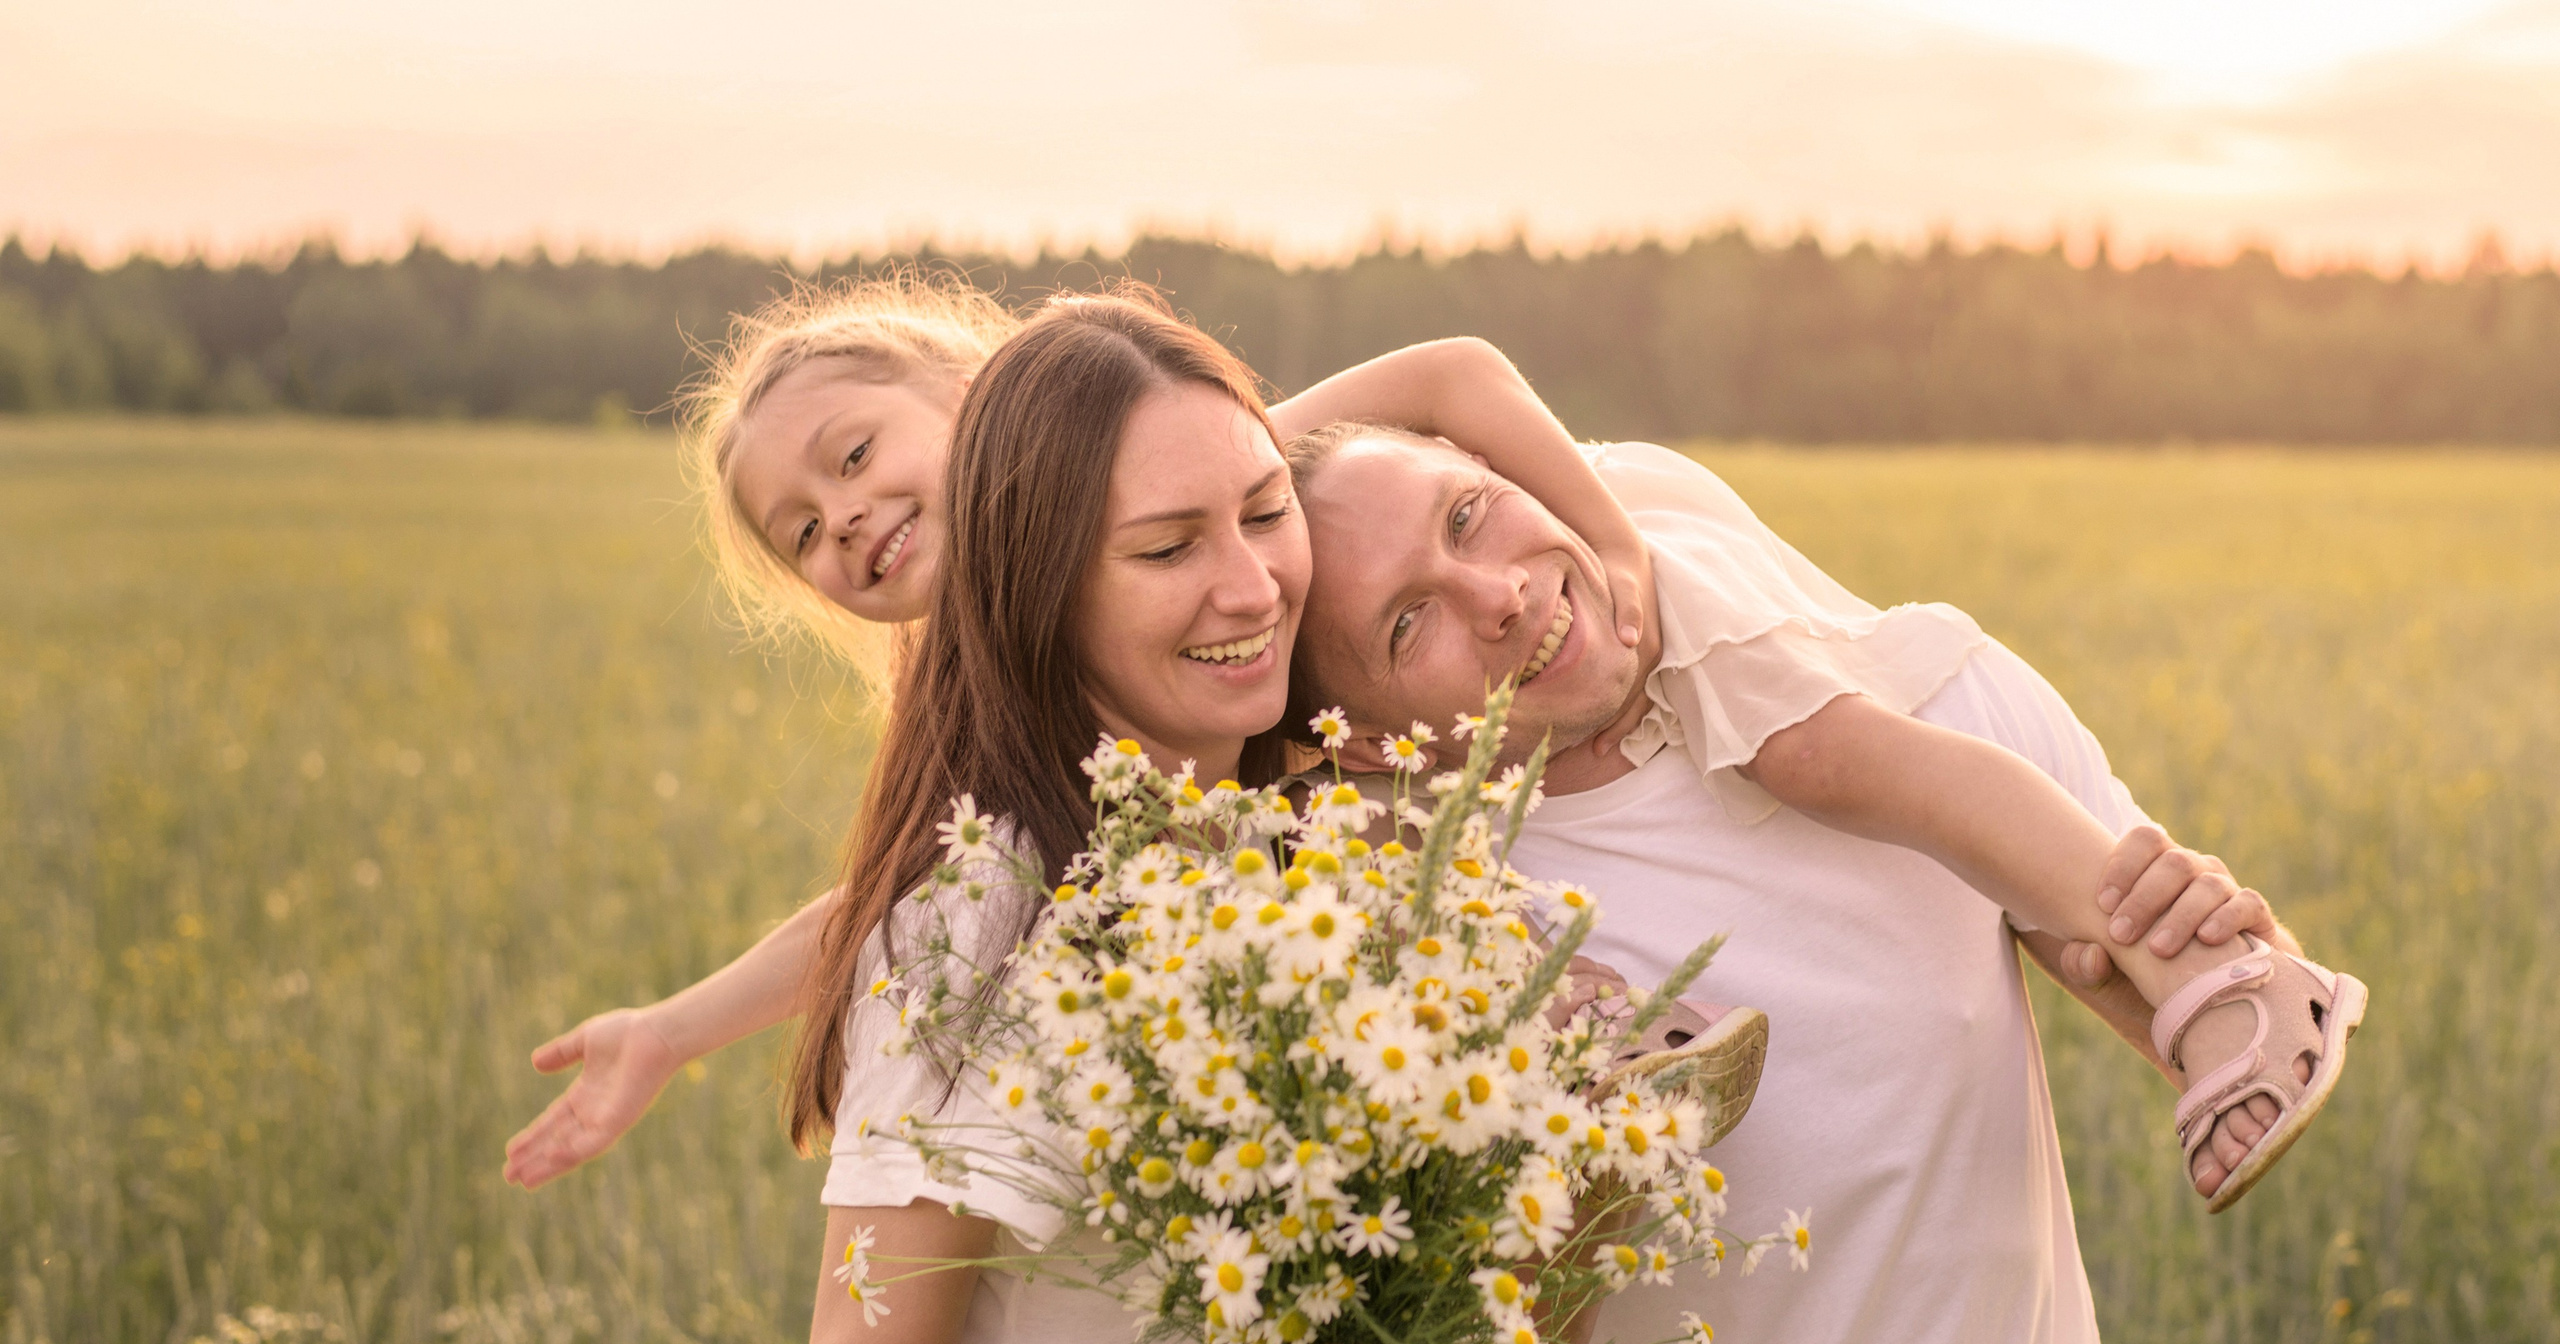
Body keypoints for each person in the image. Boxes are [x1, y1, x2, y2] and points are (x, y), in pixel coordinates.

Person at [503, 304, 2276, 1194]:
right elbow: (893, 906)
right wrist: (675, 1024)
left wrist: (1612, 539)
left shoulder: (1211, 449)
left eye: (856, 453)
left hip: (1583, 574)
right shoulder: (1026, 711)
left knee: (1855, 755)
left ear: (967, 392)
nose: (847, 519)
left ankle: (2191, 983)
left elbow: (1454, 375)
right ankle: (1618, 1063)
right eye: (804, 532)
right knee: (1377, 889)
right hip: (1435, 738)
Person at [1280, 424, 2352, 1344]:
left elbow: (2226, 1007)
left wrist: (2212, 929)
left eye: (1467, 514)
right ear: (1355, 744)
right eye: (1409, 627)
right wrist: (1574, 1213)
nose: (1500, 592)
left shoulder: (1926, 702)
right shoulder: (1405, 949)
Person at [731, 290, 1428, 1344]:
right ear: (1039, 585)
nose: (1252, 587)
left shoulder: (1322, 827)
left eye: (1264, 511)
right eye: (1168, 548)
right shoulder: (985, 911)